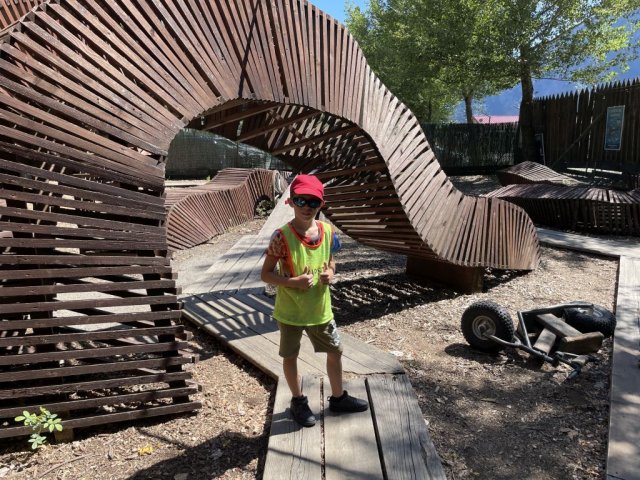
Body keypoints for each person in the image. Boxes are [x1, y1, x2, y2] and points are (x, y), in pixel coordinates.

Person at [261, 174, 368, 427]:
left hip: (320, 310)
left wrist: (331, 272)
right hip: (291, 313)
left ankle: (338, 397)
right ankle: (298, 400)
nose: (307, 207)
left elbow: (331, 260)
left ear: (321, 204)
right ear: (290, 202)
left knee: (335, 351)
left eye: (313, 202)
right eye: (301, 200)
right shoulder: (281, 236)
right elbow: (265, 274)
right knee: (290, 356)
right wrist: (293, 282)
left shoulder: (327, 231)